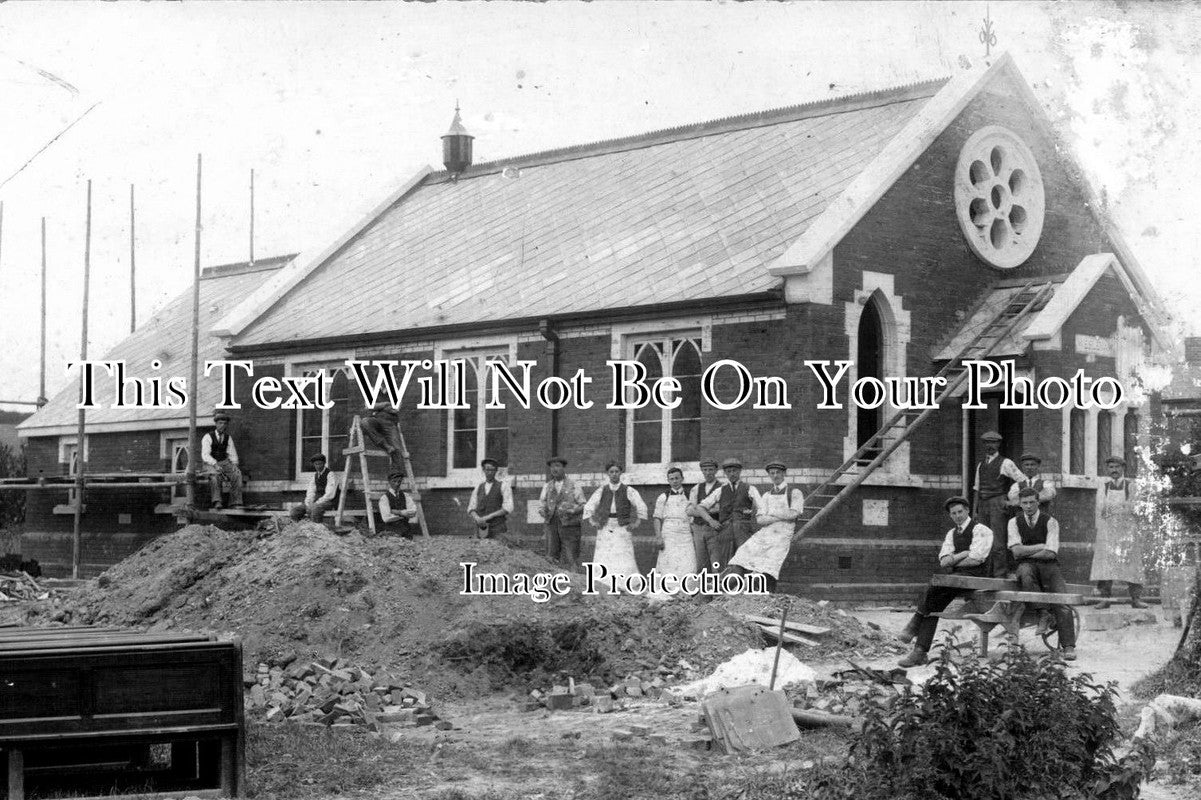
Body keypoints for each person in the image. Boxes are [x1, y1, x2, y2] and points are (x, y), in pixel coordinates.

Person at [897, 496, 993, 667]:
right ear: (950, 515)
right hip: (955, 578)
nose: (957, 516)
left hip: (977, 577)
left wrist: (954, 559)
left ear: (968, 510)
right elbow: (943, 561)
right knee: (934, 603)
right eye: (953, 513)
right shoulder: (951, 533)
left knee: (935, 588)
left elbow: (976, 559)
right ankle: (919, 651)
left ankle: (916, 624)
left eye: (960, 512)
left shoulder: (981, 530)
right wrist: (963, 554)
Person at [1008, 487, 1076, 660]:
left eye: (1032, 502)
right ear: (1020, 504)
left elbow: (1051, 552)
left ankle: (1068, 646)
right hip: (1027, 566)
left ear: (1038, 502)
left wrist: (1027, 552)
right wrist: (1040, 546)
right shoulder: (1013, 522)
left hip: (1049, 565)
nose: (1029, 506)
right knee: (1023, 572)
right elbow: (1015, 552)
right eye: (1025, 503)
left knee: (1062, 600)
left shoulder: (1050, 521)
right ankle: (1043, 612)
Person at [725, 460, 802, 593]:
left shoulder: (794, 492)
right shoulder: (766, 495)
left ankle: (764, 592)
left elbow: (793, 514)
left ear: (784, 473)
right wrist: (779, 516)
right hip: (766, 532)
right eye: (772, 473)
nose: (775, 476)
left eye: (778, 472)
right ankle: (729, 587)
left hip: (783, 533)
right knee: (743, 553)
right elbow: (760, 519)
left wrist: (771, 514)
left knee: (769, 563)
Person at [1090, 455, 1147, 609]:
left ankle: (1136, 599)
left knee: (1131, 563)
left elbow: (1133, 507)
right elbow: (1100, 509)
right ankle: (1105, 599)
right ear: (1107, 469)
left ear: (1123, 468)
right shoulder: (1104, 486)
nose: (1114, 470)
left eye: (1117, 467)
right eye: (1111, 467)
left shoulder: (1130, 486)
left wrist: (1115, 509)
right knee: (1105, 564)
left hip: (1126, 530)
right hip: (1107, 531)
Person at [690, 457, 761, 573]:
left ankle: (745, 589)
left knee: (745, 561)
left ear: (740, 471)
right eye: (729, 471)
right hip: (725, 531)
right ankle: (727, 589)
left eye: (735, 471)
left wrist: (751, 516)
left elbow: (761, 508)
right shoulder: (721, 490)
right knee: (726, 562)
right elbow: (701, 507)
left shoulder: (750, 488)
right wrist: (711, 521)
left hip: (743, 530)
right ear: (725, 473)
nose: (732, 474)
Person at [583, 461, 648, 584]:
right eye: (611, 472)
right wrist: (592, 521)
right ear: (607, 474)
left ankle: (624, 584)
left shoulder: (628, 490)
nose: (614, 474)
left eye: (616, 471)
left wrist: (636, 523)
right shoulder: (602, 490)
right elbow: (589, 506)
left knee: (623, 555)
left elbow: (641, 506)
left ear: (620, 473)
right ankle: (604, 583)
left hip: (622, 526)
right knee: (604, 555)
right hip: (605, 526)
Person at [972, 431, 1023, 578]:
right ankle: (986, 576)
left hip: (997, 503)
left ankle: (999, 575)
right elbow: (977, 488)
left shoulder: (1006, 462)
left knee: (998, 542)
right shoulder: (981, 465)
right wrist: (975, 510)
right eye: (987, 442)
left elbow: (1022, 481)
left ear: (998, 444)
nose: (990, 445)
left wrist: (1011, 500)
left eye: (993, 442)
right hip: (983, 505)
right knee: (983, 541)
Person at [651, 466, 698, 590]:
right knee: (668, 561)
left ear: (682, 479)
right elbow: (657, 518)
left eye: (677, 478)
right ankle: (668, 589)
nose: (675, 481)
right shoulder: (663, 497)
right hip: (668, 532)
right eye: (671, 479)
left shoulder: (690, 496)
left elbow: (695, 515)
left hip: (685, 533)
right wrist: (658, 537)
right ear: (668, 481)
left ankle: (687, 590)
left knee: (687, 560)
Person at [538, 456, 585, 571]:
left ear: (564, 468)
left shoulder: (574, 485)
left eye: (558, 466)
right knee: (551, 555)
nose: (554, 469)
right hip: (551, 525)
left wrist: (574, 510)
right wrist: (542, 511)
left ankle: (574, 582)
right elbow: (542, 504)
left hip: (569, 525)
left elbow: (583, 504)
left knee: (570, 556)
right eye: (552, 466)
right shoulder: (547, 486)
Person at [687, 458, 723, 575]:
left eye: (711, 469)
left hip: (715, 529)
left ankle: (716, 589)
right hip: (698, 529)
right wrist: (706, 510)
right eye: (705, 470)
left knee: (716, 561)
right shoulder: (696, 488)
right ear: (702, 471)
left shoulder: (723, 487)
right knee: (701, 561)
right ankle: (704, 590)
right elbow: (689, 510)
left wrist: (700, 509)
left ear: (716, 470)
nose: (708, 472)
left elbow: (721, 508)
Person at [201, 412, 243, 510]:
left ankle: (235, 502)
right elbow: (205, 455)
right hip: (209, 463)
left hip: (224, 462)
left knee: (237, 474)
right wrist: (215, 464)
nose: (222, 426)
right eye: (220, 423)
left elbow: (232, 453)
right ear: (216, 424)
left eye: (224, 424)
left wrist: (235, 465)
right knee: (215, 477)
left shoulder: (228, 438)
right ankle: (217, 501)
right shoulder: (208, 437)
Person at [469, 458, 513, 539]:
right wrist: (477, 518)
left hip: (497, 529)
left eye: (492, 470)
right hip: (481, 528)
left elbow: (507, 508)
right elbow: (471, 508)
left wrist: (488, 517)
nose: (489, 472)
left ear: (496, 471)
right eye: (487, 469)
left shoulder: (503, 486)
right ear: (483, 470)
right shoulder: (478, 487)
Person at [290, 453, 339, 524]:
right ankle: (299, 529)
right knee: (295, 511)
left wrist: (316, 503)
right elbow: (311, 491)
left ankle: (316, 530)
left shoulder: (330, 475)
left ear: (324, 463)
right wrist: (308, 503)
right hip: (317, 502)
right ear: (314, 465)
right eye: (316, 464)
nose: (318, 466)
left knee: (315, 509)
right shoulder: (315, 476)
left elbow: (330, 494)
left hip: (329, 502)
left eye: (320, 464)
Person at [360, 398, 404, 469]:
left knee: (397, 449)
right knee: (365, 422)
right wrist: (387, 404)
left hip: (390, 423)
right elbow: (368, 406)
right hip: (376, 420)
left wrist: (377, 407)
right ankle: (385, 445)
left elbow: (396, 408)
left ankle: (395, 479)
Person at [378, 469, 417, 538]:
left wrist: (394, 511)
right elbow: (386, 518)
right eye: (394, 481)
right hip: (391, 530)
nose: (397, 484)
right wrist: (401, 513)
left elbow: (413, 511)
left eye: (399, 481)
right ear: (389, 482)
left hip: (406, 530)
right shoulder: (384, 498)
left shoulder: (405, 495)